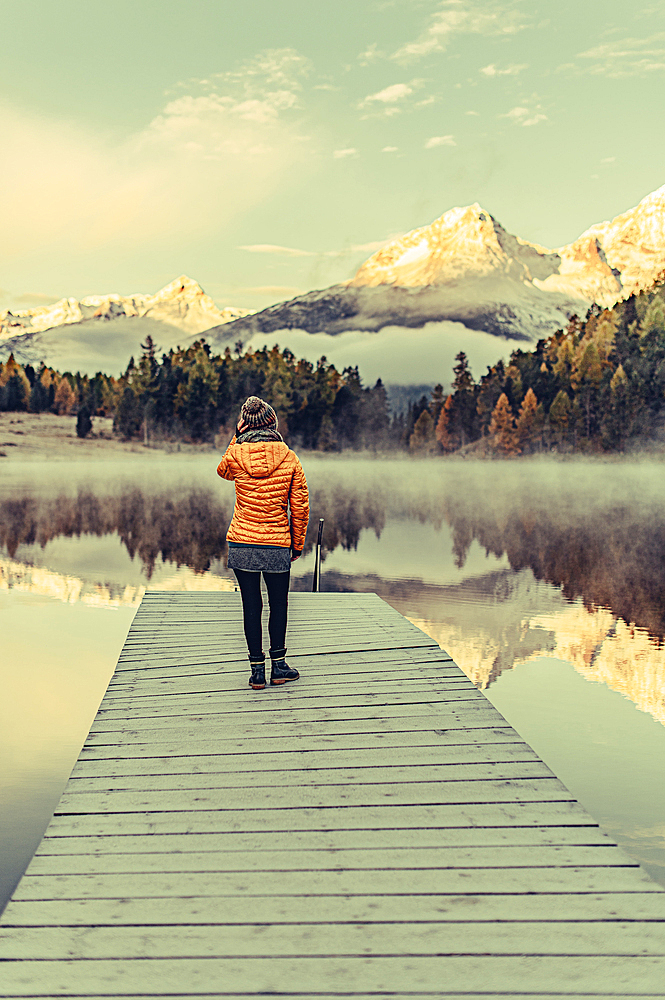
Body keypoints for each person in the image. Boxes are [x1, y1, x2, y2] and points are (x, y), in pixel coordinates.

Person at [217, 396, 309, 690]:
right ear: (273, 422)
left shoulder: (235, 455)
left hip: (242, 541)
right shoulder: (290, 457)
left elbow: (222, 470)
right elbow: (301, 506)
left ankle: (257, 671)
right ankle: (279, 667)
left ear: (245, 425)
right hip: (277, 541)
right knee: (278, 604)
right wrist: (297, 544)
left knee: (250, 605)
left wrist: (236, 435)